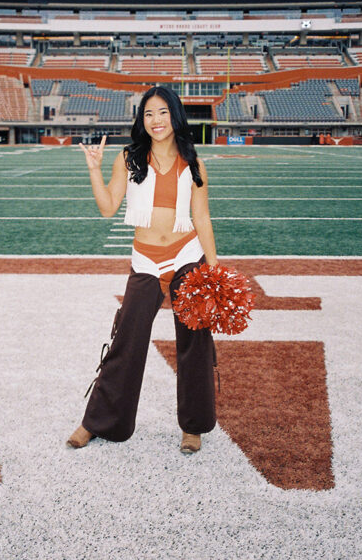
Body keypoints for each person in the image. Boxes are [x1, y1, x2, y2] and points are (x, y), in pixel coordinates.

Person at [66, 85, 219, 454]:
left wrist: (214, 272)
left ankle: (193, 427)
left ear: (175, 115)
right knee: (126, 342)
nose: (155, 121)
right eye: (148, 114)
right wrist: (94, 170)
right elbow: (107, 207)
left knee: (194, 343)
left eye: (163, 112)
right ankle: (99, 421)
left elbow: (201, 216)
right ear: (141, 120)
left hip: (187, 256)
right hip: (146, 259)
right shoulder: (128, 158)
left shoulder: (194, 163)